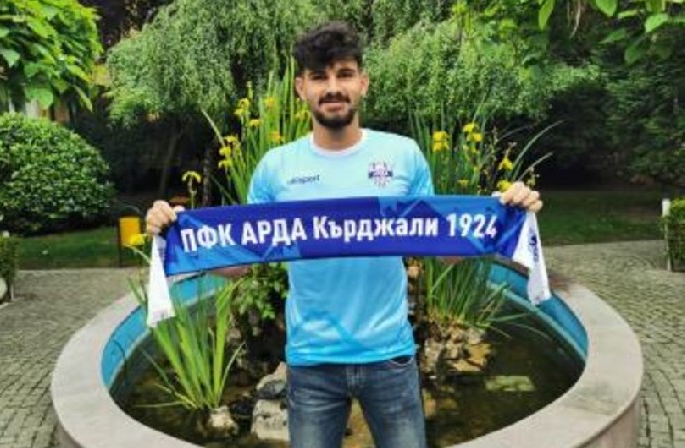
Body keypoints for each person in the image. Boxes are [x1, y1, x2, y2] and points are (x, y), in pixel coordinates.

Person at [146, 21, 543, 448]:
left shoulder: (403, 156)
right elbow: (241, 262)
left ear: (363, 83)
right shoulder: (276, 168)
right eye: (320, 77)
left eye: (344, 74)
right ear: (301, 88)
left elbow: (444, 248)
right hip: (311, 363)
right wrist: (176, 234)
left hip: (390, 357)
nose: (333, 87)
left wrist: (503, 214)